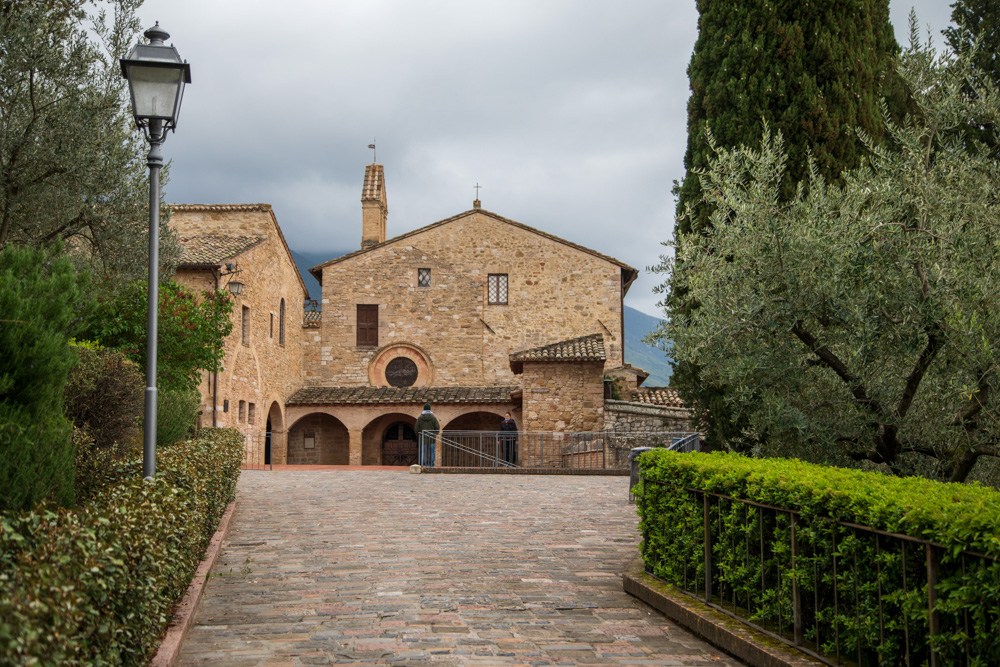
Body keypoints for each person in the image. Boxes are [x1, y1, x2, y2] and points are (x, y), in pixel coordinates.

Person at [414, 402, 440, 467]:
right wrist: (434, 434)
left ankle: (424, 465)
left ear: (424, 409)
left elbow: (416, 428)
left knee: (423, 452)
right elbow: (437, 427)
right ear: (430, 409)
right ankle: (431, 465)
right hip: (432, 437)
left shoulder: (420, 418)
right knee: (432, 452)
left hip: (423, 437)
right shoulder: (433, 418)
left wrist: (419, 434)